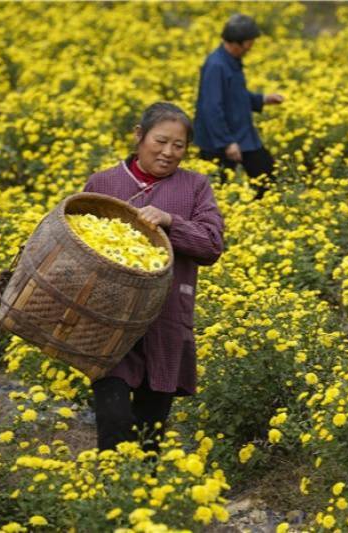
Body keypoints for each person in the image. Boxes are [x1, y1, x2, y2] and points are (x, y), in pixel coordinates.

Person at [84, 102, 225, 451]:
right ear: (138, 136)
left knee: (150, 434)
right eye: (160, 141)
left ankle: (144, 497)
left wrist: (171, 222)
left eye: (179, 146)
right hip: (110, 321)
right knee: (115, 423)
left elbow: (211, 245)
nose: (168, 152)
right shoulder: (103, 182)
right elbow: (79, 242)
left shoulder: (194, 186)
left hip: (166, 319)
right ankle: (112, 496)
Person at [194, 14, 284, 196]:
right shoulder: (216, 65)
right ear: (236, 43)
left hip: (241, 135)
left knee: (268, 177)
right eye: (249, 43)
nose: (251, 47)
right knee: (215, 190)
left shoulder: (231, 61)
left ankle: (263, 215)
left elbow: (236, 97)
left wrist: (263, 99)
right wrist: (227, 142)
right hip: (220, 141)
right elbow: (211, 108)